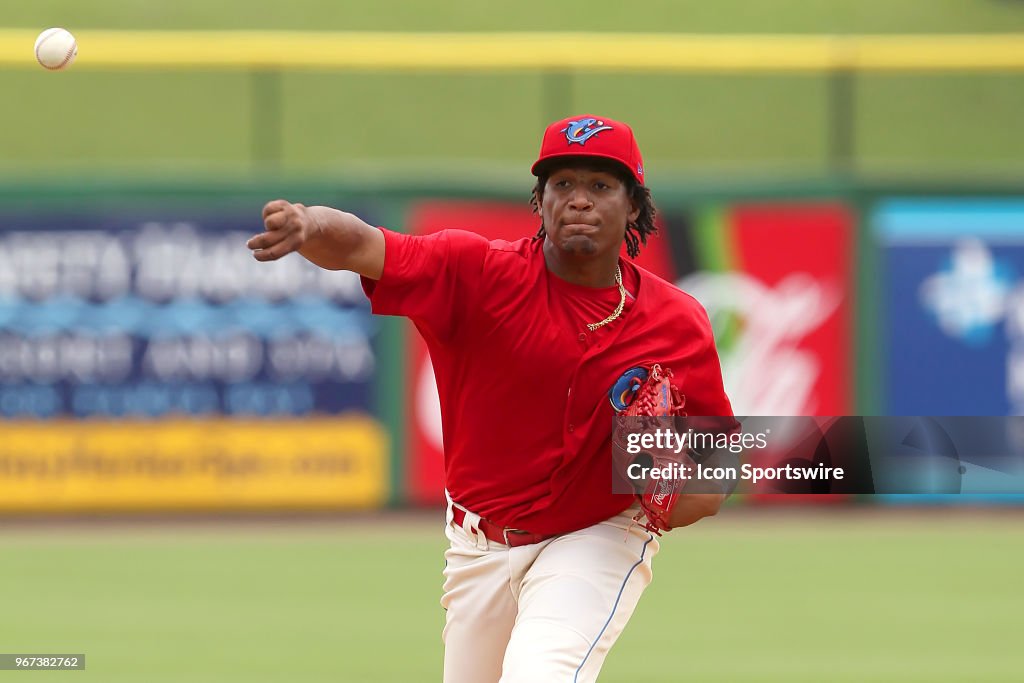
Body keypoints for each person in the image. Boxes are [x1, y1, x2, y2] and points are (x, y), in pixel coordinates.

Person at [247, 114, 735, 683]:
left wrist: (672, 483)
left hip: (597, 535)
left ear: (633, 206)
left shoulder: (676, 320)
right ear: (540, 199)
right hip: (476, 545)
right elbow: (363, 244)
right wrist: (310, 225)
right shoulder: (475, 273)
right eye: (563, 185)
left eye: (600, 186)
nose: (579, 200)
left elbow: (716, 467)